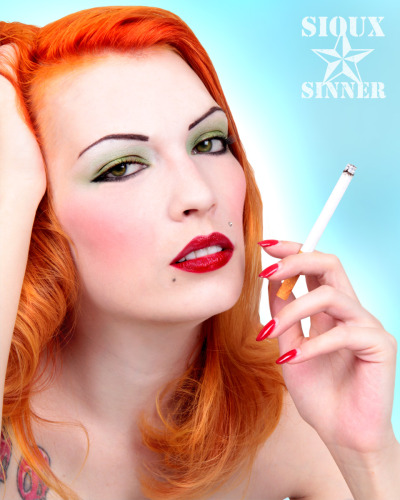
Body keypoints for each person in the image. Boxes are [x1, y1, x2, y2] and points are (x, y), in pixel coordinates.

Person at [0, 6, 398, 500]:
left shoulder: (298, 413)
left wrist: (368, 453)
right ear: (37, 217)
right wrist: (11, 190)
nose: (199, 194)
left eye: (209, 142)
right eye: (121, 167)